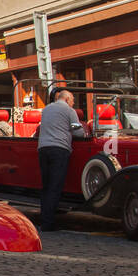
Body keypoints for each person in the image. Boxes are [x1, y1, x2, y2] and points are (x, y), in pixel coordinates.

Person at [37, 89, 87, 231]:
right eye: (72, 100)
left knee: (46, 186)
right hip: (59, 149)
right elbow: (78, 132)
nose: (73, 103)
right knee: (55, 186)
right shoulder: (69, 111)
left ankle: (43, 219)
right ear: (66, 100)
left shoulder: (46, 109)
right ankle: (48, 223)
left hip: (43, 149)